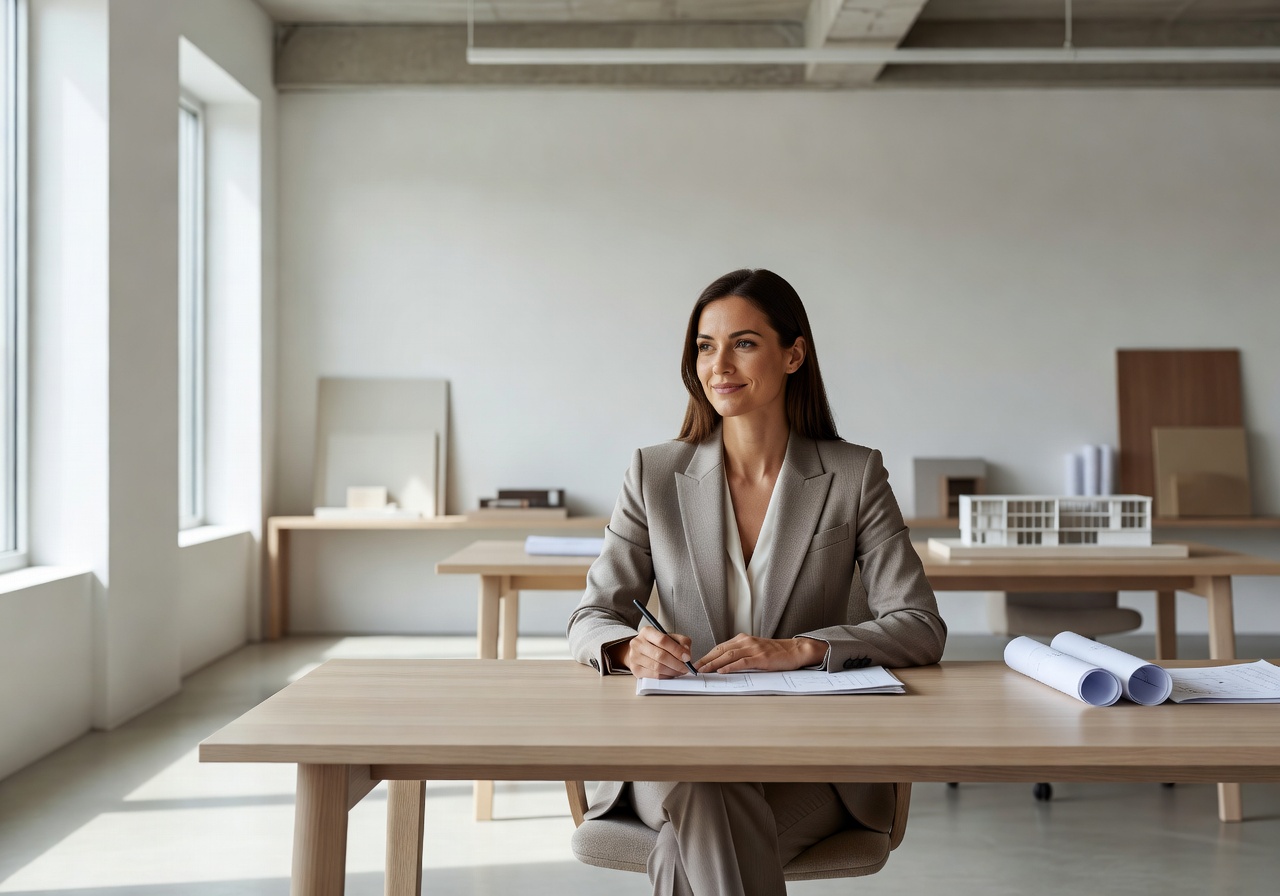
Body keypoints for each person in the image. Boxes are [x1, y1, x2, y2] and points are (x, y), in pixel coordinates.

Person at [567, 268, 946, 896]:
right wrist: (630, 648)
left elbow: (919, 626)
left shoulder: (853, 476)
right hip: (673, 756)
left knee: (688, 843)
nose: (719, 364)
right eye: (705, 345)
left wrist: (804, 649)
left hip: (809, 762)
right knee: (704, 785)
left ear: (793, 353)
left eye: (743, 343)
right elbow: (591, 617)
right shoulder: (654, 475)